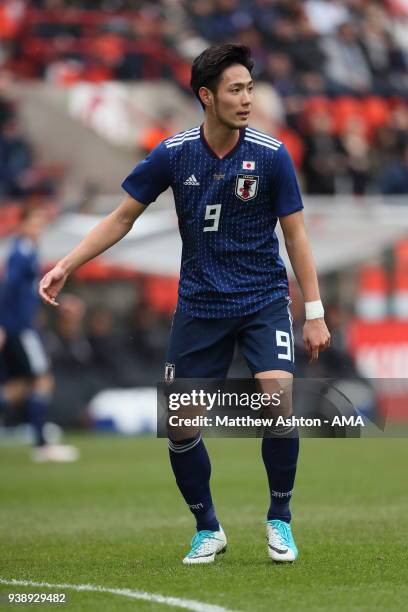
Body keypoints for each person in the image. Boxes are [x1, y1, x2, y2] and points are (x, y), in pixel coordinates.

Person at [39, 44, 330, 563]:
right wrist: (67, 263)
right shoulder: (174, 154)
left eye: (249, 88)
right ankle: (207, 528)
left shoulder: (270, 154)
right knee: (180, 422)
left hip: (263, 299)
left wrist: (314, 312)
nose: (247, 99)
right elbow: (122, 217)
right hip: (200, 305)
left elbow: (297, 236)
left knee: (276, 398)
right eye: (235, 90)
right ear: (206, 96)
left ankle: (280, 520)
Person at [0, 207, 79, 462]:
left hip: (20, 326)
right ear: (22, 225)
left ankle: (41, 441)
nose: (38, 229)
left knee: (21, 385)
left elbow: (29, 289)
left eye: (41, 224)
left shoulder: (28, 251)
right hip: (20, 328)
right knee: (42, 379)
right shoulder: (22, 252)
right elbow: (8, 290)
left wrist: (60, 299)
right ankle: (42, 445)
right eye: (33, 223)